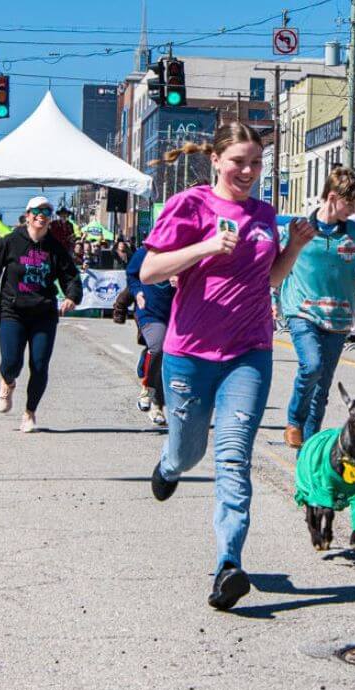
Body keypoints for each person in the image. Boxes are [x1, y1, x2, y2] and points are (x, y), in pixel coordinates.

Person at [141, 122, 315, 611]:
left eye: (256, 163)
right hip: (191, 352)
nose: (248, 171)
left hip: (249, 351)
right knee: (190, 451)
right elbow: (150, 270)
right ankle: (170, 466)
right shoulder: (190, 206)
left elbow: (269, 277)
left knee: (235, 456)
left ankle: (228, 565)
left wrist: (295, 246)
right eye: (239, 161)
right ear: (216, 160)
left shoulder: (265, 213)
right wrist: (204, 248)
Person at [280, 168, 355, 448]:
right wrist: (272, 299)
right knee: (312, 364)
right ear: (332, 197)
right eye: (350, 203)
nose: (353, 210)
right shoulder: (299, 228)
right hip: (302, 310)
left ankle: (307, 451)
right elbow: (280, 263)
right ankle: (294, 419)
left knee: (321, 390)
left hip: (339, 316)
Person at [0, 196, 82, 432]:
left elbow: (70, 276)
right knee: (12, 362)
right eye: (36, 211)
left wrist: (71, 296)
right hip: (11, 311)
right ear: (27, 214)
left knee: (40, 364)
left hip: (43, 314)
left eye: (46, 211)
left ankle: (29, 413)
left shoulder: (55, 248)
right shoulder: (10, 242)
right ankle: (8, 381)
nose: (41, 215)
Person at [126, 244, 175, 426]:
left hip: (175, 314)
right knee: (158, 346)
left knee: (167, 358)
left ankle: (157, 407)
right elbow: (131, 275)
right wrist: (137, 292)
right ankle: (147, 389)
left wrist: (182, 281)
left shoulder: (183, 251)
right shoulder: (145, 252)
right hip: (149, 312)